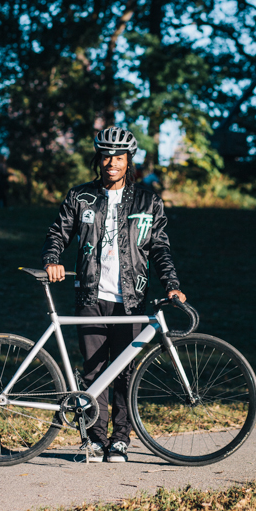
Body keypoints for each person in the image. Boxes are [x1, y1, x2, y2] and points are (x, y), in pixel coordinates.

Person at [41, 127, 186, 463]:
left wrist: (171, 284)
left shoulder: (148, 202)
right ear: (98, 158)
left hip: (132, 299)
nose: (111, 163)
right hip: (90, 295)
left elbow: (160, 249)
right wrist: (52, 260)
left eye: (118, 157)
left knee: (124, 371)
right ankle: (94, 438)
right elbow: (58, 233)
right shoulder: (80, 197)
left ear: (128, 161)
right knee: (94, 370)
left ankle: (120, 439)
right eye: (106, 156)